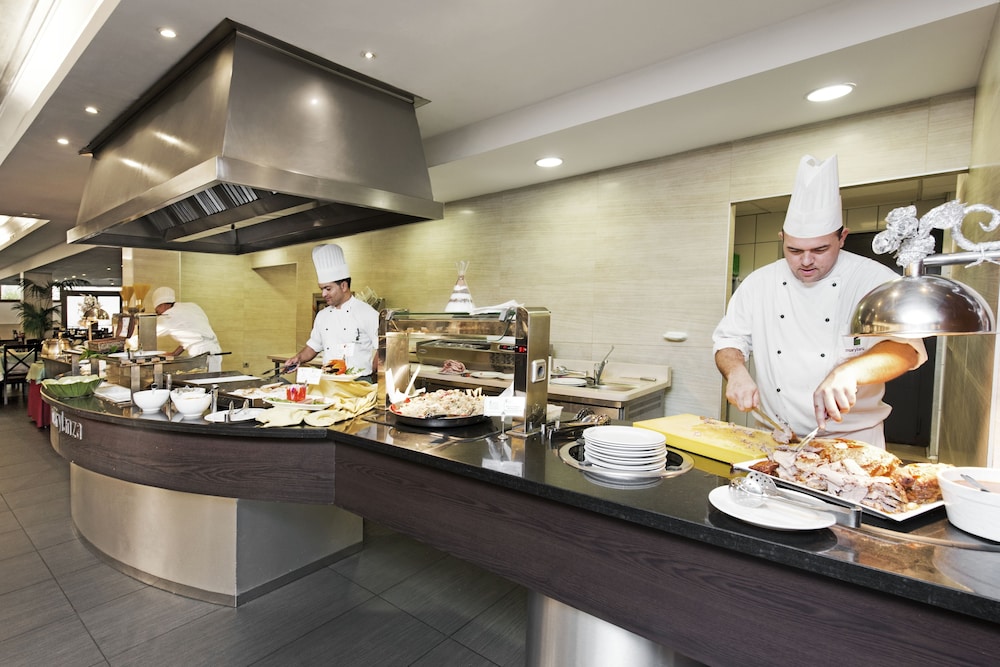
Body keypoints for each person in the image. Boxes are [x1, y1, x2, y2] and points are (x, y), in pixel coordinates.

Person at [712, 155, 927, 448]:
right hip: (776, 437)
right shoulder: (758, 283)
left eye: (820, 249)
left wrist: (850, 371)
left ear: (842, 237)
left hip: (852, 440)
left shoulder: (875, 280)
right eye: (794, 250)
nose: (806, 261)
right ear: (782, 238)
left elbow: (907, 350)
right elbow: (729, 340)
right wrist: (736, 372)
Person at [283, 244, 378, 382]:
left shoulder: (367, 313)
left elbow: (384, 349)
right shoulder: (322, 315)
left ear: (343, 286)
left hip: (359, 382)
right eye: (322, 289)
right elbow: (314, 345)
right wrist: (298, 358)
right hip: (328, 381)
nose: (323, 294)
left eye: (328, 289)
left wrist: (372, 372)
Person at [149, 287, 224, 372]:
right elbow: (192, 334)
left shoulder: (168, 315)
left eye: (157, 311)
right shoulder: (192, 306)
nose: (158, 314)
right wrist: (175, 353)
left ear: (162, 305)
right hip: (215, 350)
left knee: (204, 379)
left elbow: (149, 333)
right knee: (213, 378)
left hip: (201, 353)